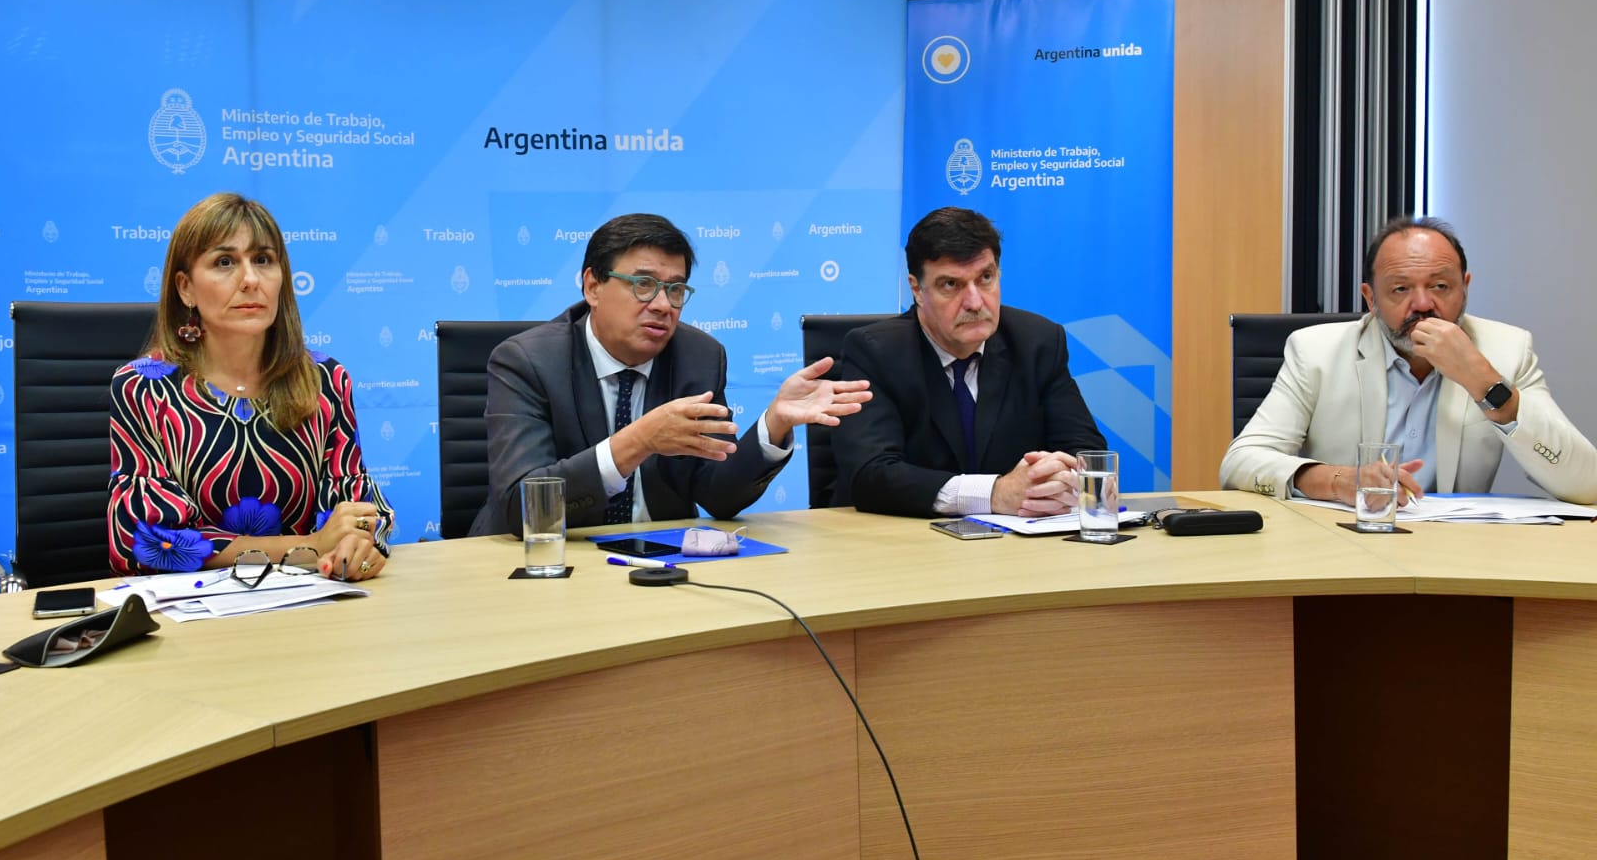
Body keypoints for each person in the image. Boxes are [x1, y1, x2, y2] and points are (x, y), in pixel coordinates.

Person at [470, 213, 872, 535]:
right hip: (546, 568)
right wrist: (639, 440)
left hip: (658, 567)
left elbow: (718, 495)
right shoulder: (526, 361)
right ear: (593, 287)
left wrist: (773, 425)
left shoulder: (700, 357)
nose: (663, 305)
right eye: (643, 284)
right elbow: (523, 505)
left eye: (676, 289)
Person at [108, 193, 394, 579]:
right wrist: (310, 545)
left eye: (263, 260)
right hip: (189, 619)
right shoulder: (143, 388)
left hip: (309, 605)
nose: (250, 279)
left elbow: (357, 505)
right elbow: (145, 541)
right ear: (185, 288)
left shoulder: (325, 379)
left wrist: (359, 543)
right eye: (225, 262)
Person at [1221, 216, 1597, 504]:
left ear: (1465, 288)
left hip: (1456, 560)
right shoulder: (1315, 351)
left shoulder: (1507, 349)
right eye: (1400, 289)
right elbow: (1240, 463)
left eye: (1440, 286)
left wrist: (1487, 384)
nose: (1422, 304)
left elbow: (1586, 485)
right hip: (1342, 547)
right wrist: (1339, 481)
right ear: (1370, 298)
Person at [830, 206, 1106, 517]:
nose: (975, 302)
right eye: (951, 284)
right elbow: (871, 475)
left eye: (985, 278)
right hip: (900, 548)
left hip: (1014, 548)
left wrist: (1060, 480)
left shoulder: (1037, 342)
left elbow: (1087, 454)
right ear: (917, 289)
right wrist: (994, 494)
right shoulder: (875, 352)